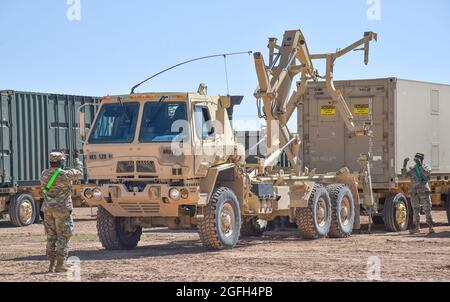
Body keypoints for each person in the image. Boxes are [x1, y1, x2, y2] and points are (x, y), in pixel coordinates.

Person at [41, 149, 83, 273]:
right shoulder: (65, 175)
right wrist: (76, 159)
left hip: (48, 210)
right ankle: (60, 265)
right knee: (63, 236)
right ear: (61, 162)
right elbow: (79, 172)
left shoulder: (44, 174)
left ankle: (51, 265)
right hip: (62, 210)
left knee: (51, 237)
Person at [402, 153, 435, 234]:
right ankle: (417, 227)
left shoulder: (426, 167)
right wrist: (404, 165)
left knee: (427, 209)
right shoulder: (412, 168)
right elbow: (404, 175)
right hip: (414, 191)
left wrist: (420, 165)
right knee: (415, 210)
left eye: (419, 158)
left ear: (422, 159)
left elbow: (426, 173)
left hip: (424, 190)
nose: (417, 159)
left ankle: (431, 227)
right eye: (416, 158)